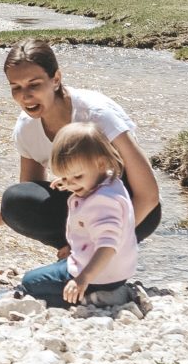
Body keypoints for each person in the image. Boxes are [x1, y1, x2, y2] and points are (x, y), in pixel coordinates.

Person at [0, 38, 160, 258]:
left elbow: (148, 195)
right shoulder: (27, 128)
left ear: (56, 79)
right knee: (16, 199)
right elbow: (27, 200)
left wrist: (106, 244)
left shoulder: (97, 114)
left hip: (135, 212)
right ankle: (74, 252)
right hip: (82, 206)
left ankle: (94, 255)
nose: (25, 96)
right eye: (15, 87)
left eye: (34, 84)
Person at [18, 123, 137, 307]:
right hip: (116, 272)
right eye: (66, 177)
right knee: (48, 272)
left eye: (77, 177)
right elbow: (81, 175)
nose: (71, 184)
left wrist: (83, 278)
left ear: (101, 163)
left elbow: (108, 246)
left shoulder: (102, 202)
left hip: (98, 276)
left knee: (30, 283)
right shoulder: (109, 180)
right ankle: (104, 290)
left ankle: (96, 298)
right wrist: (69, 180)